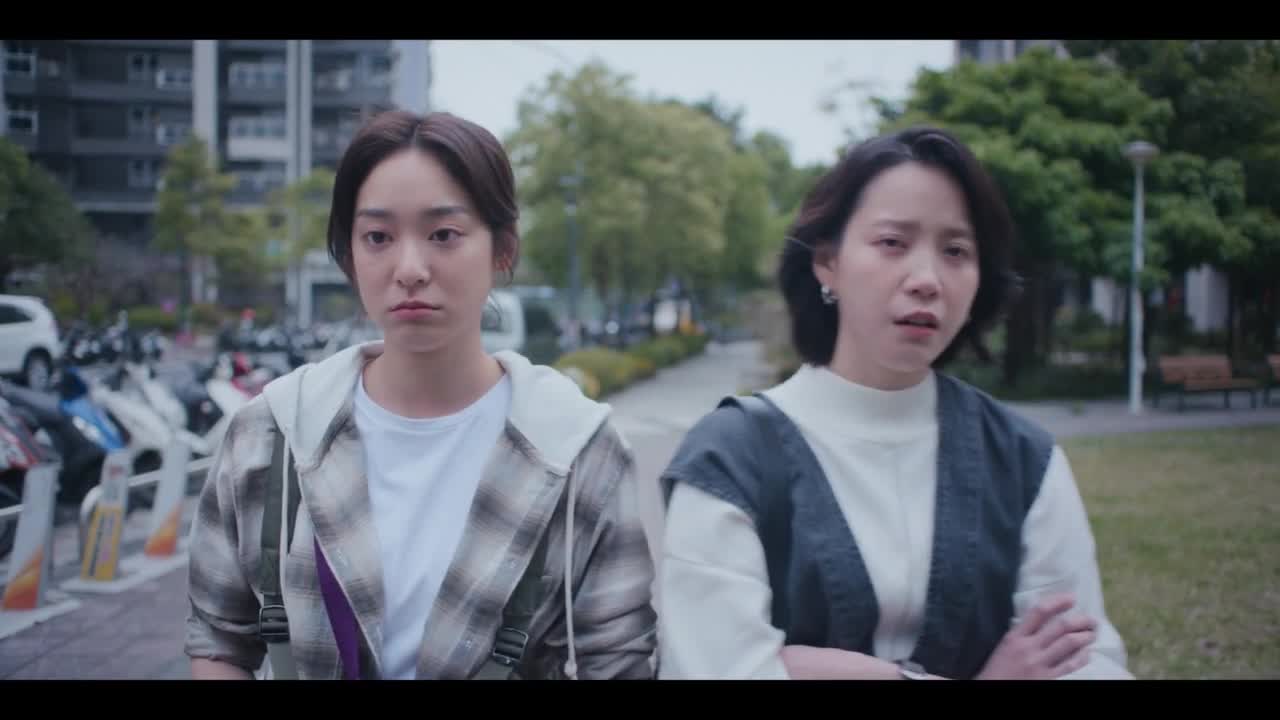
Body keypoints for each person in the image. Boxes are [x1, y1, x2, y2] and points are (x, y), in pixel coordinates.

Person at [184, 110, 657, 680]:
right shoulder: (273, 432)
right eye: (378, 237)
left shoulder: (579, 451)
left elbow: (618, 661)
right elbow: (219, 637)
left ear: (503, 249)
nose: (409, 269)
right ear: (350, 255)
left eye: (443, 235)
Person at [654, 126, 1132, 680]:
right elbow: (711, 668)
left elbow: (1083, 661)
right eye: (892, 243)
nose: (927, 279)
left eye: (956, 251)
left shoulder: (1023, 458)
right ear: (827, 261)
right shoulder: (729, 459)